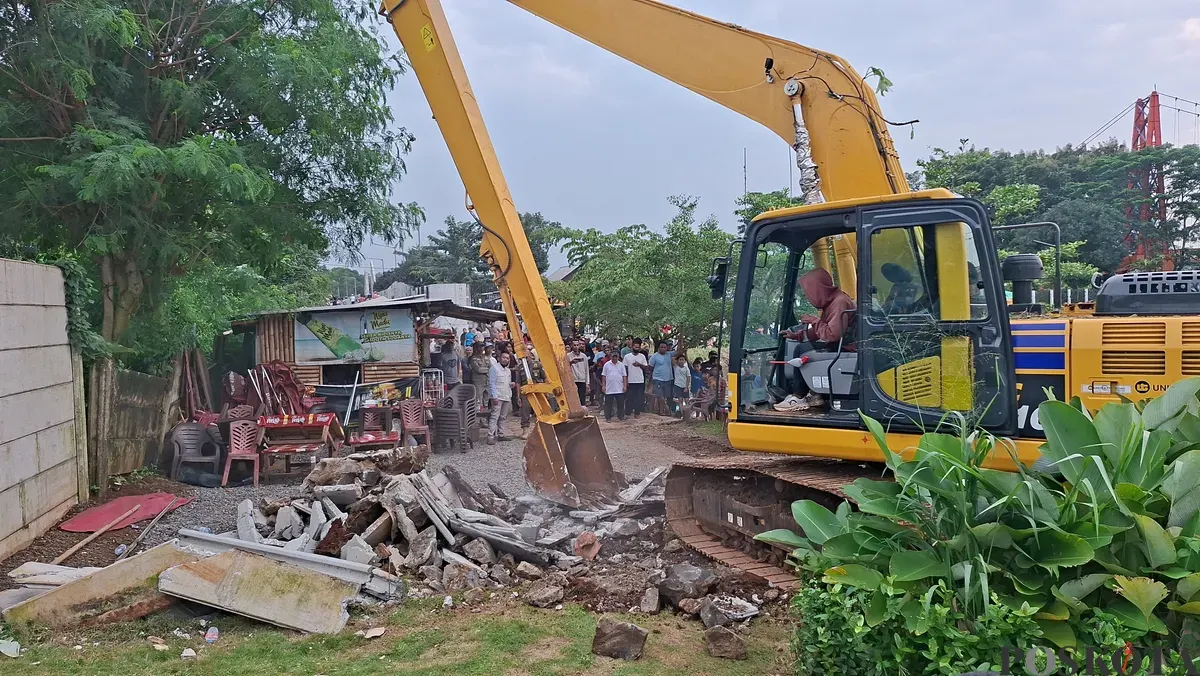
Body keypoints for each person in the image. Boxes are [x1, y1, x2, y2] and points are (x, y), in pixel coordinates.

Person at [779, 268, 856, 408]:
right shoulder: (832, 302)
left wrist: (813, 320)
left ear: (819, 288)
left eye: (810, 292)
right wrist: (797, 335)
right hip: (839, 346)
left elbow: (832, 335)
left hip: (845, 349)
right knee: (803, 346)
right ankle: (815, 394)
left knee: (801, 350)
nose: (809, 297)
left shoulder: (839, 303)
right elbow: (820, 331)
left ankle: (798, 396)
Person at [487, 351, 515, 444]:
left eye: (507, 358)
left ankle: (501, 434)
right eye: (504, 357)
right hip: (498, 396)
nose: (505, 359)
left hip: (506, 395)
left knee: (503, 417)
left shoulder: (508, 370)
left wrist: (511, 385)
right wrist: (494, 396)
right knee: (495, 416)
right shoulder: (494, 368)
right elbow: (492, 383)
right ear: (499, 358)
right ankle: (490, 435)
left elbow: (506, 383)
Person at [648, 340, 678, 415]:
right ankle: (665, 408)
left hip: (668, 379)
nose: (663, 349)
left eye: (665, 347)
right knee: (659, 395)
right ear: (658, 348)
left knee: (664, 396)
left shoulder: (669, 354)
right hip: (657, 379)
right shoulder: (654, 356)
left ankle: (661, 411)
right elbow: (650, 367)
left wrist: (680, 340)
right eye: (661, 347)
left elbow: (679, 352)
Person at [621, 338, 649, 418]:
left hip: (640, 380)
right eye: (635, 347)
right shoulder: (627, 357)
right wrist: (625, 381)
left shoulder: (642, 356)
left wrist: (639, 364)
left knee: (639, 398)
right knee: (629, 398)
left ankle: (637, 413)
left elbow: (646, 368)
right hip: (630, 380)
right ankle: (628, 413)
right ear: (632, 347)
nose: (636, 349)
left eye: (638, 347)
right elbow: (624, 369)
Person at [601, 346, 628, 422]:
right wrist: (603, 386)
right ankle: (608, 417)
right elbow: (604, 376)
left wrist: (625, 386)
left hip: (619, 388)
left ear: (618, 357)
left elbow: (624, 376)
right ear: (611, 356)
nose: (614, 358)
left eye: (616, 357)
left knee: (620, 404)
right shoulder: (606, 365)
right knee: (608, 404)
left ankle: (621, 416)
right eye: (613, 356)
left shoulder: (621, 365)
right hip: (609, 388)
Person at [469, 344, 492, 412]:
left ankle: (485, 417)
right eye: (480, 347)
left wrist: (486, 369)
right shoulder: (473, 358)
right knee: (478, 401)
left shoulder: (486, 357)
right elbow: (478, 369)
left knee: (486, 400)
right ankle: (479, 418)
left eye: (482, 347)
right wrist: (487, 369)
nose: (481, 348)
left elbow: (491, 367)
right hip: (478, 382)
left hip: (486, 381)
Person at [568, 340, 590, 406]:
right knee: (573, 397)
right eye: (574, 345)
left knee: (582, 398)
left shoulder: (584, 356)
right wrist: (571, 362)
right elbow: (565, 368)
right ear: (572, 346)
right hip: (573, 380)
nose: (576, 347)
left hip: (582, 379)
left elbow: (586, 370)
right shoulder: (568, 356)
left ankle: (583, 413)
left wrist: (587, 383)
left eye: (577, 345)